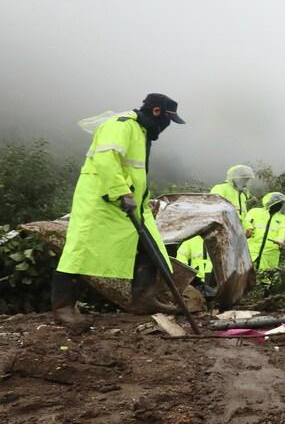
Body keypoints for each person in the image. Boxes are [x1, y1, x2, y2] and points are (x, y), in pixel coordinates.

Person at [51, 93, 185, 331]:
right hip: (100, 201)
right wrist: (121, 192)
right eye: (167, 119)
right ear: (156, 112)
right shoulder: (121, 125)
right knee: (79, 251)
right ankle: (63, 309)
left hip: (129, 204)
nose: (166, 126)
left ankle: (144, 299)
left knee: (150, 247)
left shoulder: (141, 132)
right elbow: (106, 161)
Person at [246, 192, 285, 272]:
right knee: (246, 275)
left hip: (270, 254)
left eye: (281, 203)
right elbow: (246, 222)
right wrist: (248, 228)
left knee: (266, 278)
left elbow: (283, 230)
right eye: (277, 203)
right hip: (252, 251)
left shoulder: (283, 218)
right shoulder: (255, 212)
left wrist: (280, 239)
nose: (279, 205)